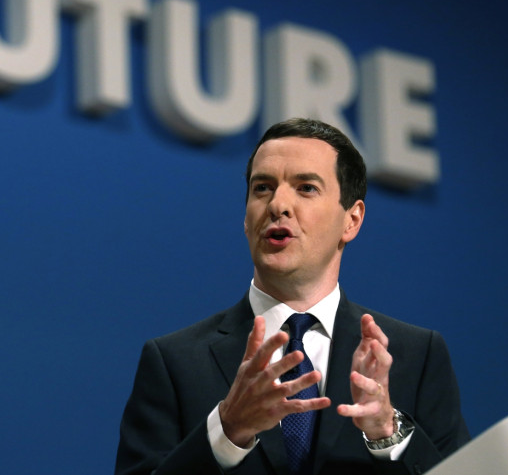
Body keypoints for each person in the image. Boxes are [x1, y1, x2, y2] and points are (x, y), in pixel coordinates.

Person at [115, 118, 469, 475]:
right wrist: (227, 431)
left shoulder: (415, 356)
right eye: (263, 188)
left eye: (306, 188)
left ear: (352, 220)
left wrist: (388, 434)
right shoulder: (174, 361)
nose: (277, 204)